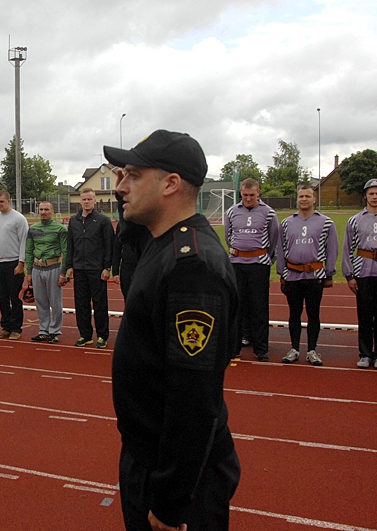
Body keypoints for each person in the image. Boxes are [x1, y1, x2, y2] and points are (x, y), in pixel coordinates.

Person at [104, 130, 240, 531]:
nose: (121, 187)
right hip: (149, 456)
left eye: (131, 175)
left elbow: (193, 399)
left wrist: (170, 502)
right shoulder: (162, 242)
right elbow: (130, 223)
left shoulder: (190, 266)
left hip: (177, 474)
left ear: (170, 184)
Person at [276, 186, 338, 366]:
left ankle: (312, 350)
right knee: (294, 313)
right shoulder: (287, 223)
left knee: (313, 314)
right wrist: (282, 272)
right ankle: (294, 349)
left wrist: (329, 273)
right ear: (297, 199)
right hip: (293, 275)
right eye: (301, 196)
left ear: (314, 199)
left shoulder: (326, 223)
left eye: (307, 196)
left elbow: (332, 249)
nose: (304, 199)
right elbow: (281, 249)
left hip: (314, 276)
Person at [342, 178, 377, 370]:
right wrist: (349, 275)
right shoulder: (355, 220)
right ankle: (365, 353)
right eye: (371, 193)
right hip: (363, 271)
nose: (374, 197)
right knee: (364, 314)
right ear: (365, 195)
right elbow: (348, 248)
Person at [224, 178, 278, 361]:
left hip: (259, 263)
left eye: (252, 195)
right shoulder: (231, 212)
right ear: (241, 193)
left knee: (259, 306)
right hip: (237, 262)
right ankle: (234, 346)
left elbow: (273, 238)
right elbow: (228, 236)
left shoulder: (269, 213)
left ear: (259, 193)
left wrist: (264, 257)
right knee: (236, 305)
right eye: (245, 195)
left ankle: (261, 348)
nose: (248, 198)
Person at [65, 188, 114, 348]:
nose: (86, 202)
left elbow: (109, 245)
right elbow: (70, 245)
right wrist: (70, 266)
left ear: (95, 201)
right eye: (84, 199)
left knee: (99, 303)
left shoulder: (103, 221)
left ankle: (102, 336)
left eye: (89, 199)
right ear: (80, 201)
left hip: (97, 269)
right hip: (79, 269)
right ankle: (85, 335)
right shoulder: (74, 221)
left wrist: (107, 267)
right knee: (81, 304)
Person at [0, 190, 28, 340]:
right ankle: (6, 326)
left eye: (1, 202)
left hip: (14, 263)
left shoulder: (19, 219)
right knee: (2, 297)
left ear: (9, 201)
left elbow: (24, 242)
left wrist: (21, 263)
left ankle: (16, 328)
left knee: (14, 297)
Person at [25, 201, 68, 343]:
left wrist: (63, 273)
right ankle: (43, 330)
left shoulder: (60, 229)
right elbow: (29, 251)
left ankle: (54, 331)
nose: (43, 212)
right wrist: (29, 272)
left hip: (53, 267)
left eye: (46, 209)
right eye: (41, 209)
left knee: (55, 302)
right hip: (37, 269)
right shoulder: (33, 229)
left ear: (52, 211)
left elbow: (66, 251)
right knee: (40, 301)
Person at [112, 192, 152, 301]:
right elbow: (117, 247)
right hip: (127, 267)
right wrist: (115, 271)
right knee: (128, 299)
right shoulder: (122, 224)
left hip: (144, 266)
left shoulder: (149, 223)